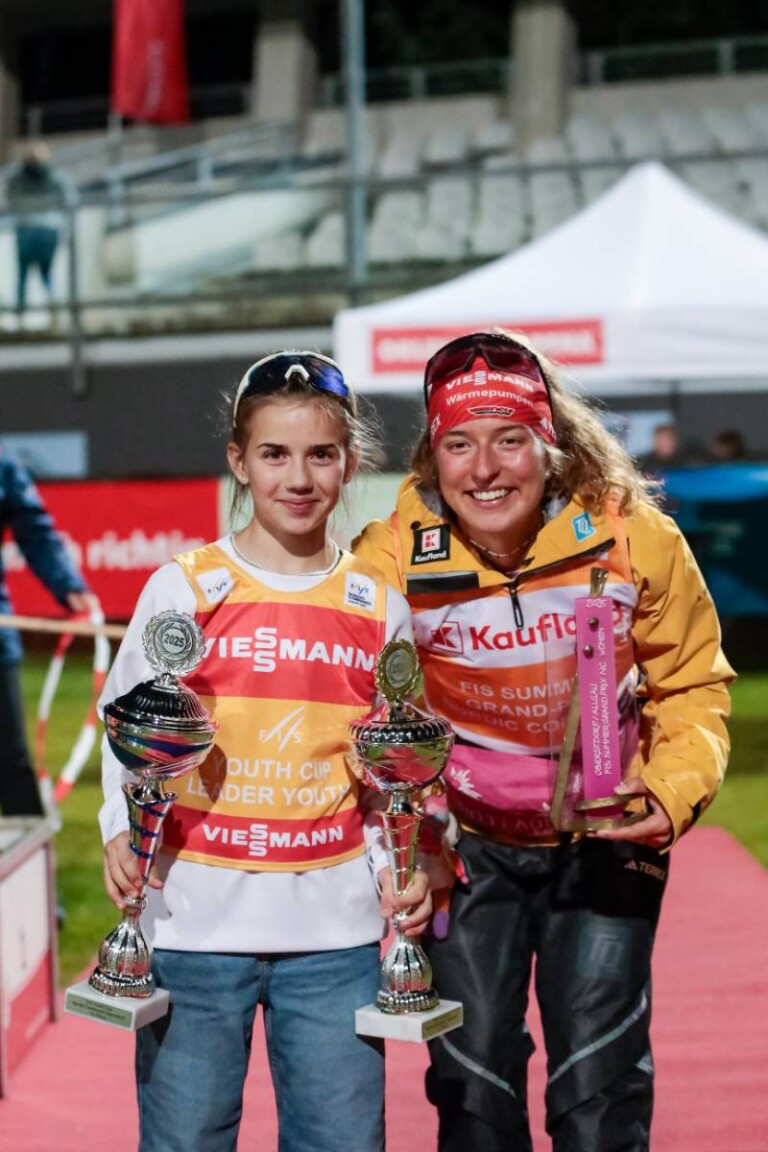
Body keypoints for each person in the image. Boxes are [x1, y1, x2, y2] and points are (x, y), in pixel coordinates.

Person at [353, 330, 733, 1152]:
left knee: (599, 1093)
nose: (484, 469)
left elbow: (694, 684)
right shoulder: (389, 560)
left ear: (548, 442)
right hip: (466, 852)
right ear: (432, 455)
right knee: (475, 1086)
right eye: (459, 443)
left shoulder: (635, 537)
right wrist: (407, 842)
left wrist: (668, 794)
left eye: (508, 440)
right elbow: (361, 717)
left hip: (603, 840)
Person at [97, 351, 431, 1152]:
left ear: (350, 462)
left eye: (321, 454)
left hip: (335, 938)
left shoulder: (377, 605)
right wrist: (119, 827)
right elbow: (129, 724)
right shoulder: (185, 588)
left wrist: (402, 869)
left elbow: (394, 767)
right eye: (275, 454)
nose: (300, 477)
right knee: (186, 1141)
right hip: (191, 927)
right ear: (238, 461)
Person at [0, 445, 99, 817]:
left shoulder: (3, 462)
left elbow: (36, 533)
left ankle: (28, 875)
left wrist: (68, 584)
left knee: (11, 764)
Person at [6, 142, 67, 319]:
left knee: (23, 274)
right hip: (48, 229)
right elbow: (66, 197)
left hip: (26, 229)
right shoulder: (53, 177)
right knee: (46, 273)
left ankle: (20, 313)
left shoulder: (17, 179)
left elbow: (11, 198)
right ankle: (53, 303)